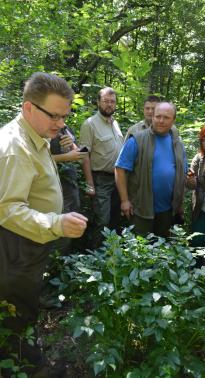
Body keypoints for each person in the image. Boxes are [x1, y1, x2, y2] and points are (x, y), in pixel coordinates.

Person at [0, 72, 88, 376]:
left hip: (29, 244)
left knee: (24, 302)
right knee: (16, 306)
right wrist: (56, 223)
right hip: (17, 245)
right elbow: (8, 210)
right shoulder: (15, 147)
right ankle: (25, 366)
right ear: (28, 108)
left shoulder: (35, 136)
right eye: (55, 115)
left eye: (65, 115)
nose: (61, 123)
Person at [115, 102, 187, 238]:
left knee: (162, 249)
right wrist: (124, 200)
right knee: (138, 250)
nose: (161, 121)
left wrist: (180, 203)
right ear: (152, 117)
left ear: (174, 120)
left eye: (166, 117)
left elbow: (181, 175)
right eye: (158, 116)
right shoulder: (137, 140)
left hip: (167, 210)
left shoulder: (178, 144)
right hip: (141, 208)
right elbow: (120, 169)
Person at [80, 87, 123, 248]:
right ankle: (94, 256)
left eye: (112, 102)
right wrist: (89, 184)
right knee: (102, 221)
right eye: (106, 101)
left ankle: (111, 255)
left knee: (114, 219)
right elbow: (84, 155)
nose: (109, 105)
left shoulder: (115, 123)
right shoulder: (90, 124)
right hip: (100, 179)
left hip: (118, 179)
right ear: (98, 102)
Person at [50, 125, 86, 254]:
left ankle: (65, 264)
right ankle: (53, 267)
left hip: (71, 186)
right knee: (58, 231)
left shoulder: (66, 129)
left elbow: (80, 155)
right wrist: (66, 157)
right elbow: (36, 159)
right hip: (54, 187)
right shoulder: (43, 129)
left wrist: (72, 146)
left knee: (71, 227)